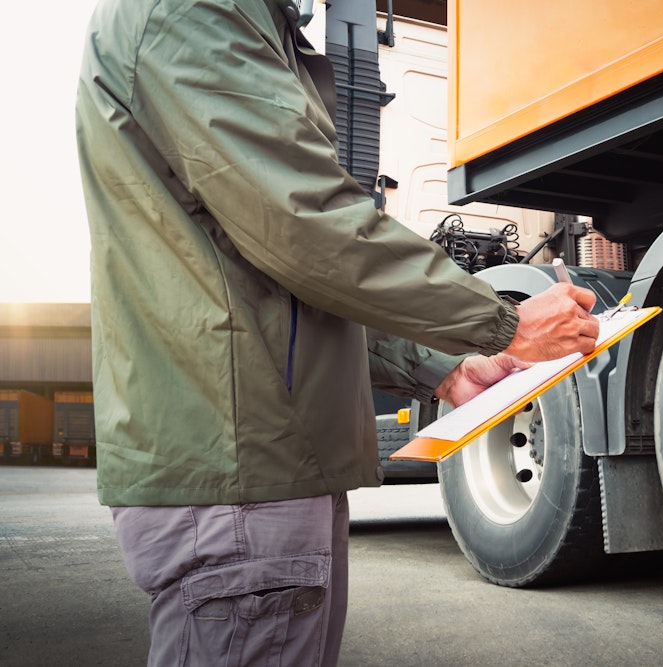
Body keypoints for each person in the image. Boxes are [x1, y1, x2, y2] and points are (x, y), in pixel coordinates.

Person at [75, 0, 600, 665]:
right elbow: (303, 224)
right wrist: (497, 321)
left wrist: (437, 360)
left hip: (259, 459)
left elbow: (268, 270)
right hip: (242, 469)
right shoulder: (193, 9)